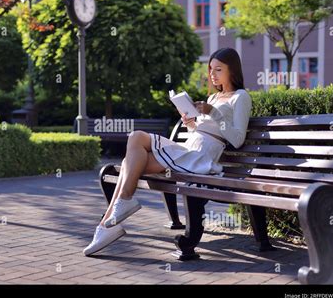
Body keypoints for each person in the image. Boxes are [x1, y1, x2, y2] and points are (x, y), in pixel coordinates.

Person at [83, 47, 253, 256]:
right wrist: (191, 122)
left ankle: (107, 224)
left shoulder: (241, 97)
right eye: (210, 69)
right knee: (135, 140)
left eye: (218, 69)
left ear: (232, 71)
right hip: (188, 149)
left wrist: (213, 113)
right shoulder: (214, 98)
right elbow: (205, 128)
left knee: (130, 161)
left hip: (201, 157)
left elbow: (237, 139)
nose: (212, 74)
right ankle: (112, 218)